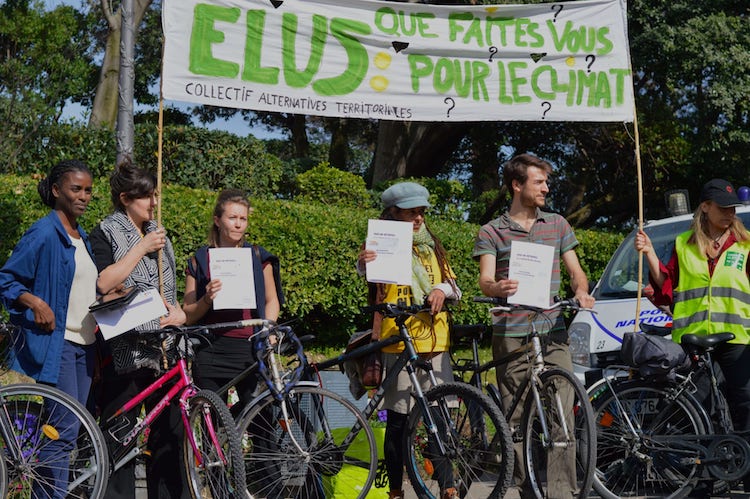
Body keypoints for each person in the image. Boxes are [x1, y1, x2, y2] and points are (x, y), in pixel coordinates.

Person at [472, 153, 595, 499]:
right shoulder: (491, 231)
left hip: (552, 330)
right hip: (511, 334)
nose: (546, 187)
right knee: (517, 418)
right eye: (539, 182)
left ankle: (560, 493)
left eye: (546, 182)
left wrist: (581, 291)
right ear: (517, 185)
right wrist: (497, 288)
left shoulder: (557, 224)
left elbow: (575, 271)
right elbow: (484, 279)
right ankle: (527, 491)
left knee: (562, 415)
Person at [635, 178, 750, 491]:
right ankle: (702, 480)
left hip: (737, 337)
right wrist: (648, 254)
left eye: (732, 208)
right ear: (705, 207)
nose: (729, 213)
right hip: (693, 339)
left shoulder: (746, 243)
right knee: (699, 411)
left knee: (745, 405)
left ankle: (743, 474)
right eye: (723, 208)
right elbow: (666, 284)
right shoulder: (684, 244)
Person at [89, 159, 188, 499]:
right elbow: (104, 283)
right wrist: (141, 249)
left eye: (155, 196)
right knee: (121, 434)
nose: (154, 203)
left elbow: (171, 290)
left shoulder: (159, 232)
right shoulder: (105, 231)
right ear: (125, 198)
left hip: (167, 349)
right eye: (146, 197)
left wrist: (180, 315)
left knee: (169, 436)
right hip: (126, 352)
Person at [357, 182, 462, 499]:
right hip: (398, 343)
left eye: (421, 212)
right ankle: (395, 490)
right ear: (393, 213)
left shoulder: (433, 247)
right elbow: (370, 281)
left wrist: (442, 290)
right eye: (411, 212)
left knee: (439, 420)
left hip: (435, 343)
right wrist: (364, 264)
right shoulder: (381, 243)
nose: (418, 218)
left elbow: (456, 290)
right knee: (399, 423)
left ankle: (448, 488)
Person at [0, 159, 98, 498]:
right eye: (76, 189)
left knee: (64, 431)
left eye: (88, 190)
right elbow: (6, 279)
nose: (84, 196)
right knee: (62, 431)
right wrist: (36, 302)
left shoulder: (80, 235)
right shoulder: (44, 232)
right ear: (57, 191)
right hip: (61, 345)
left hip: (85, 345)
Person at [183, 188, 283, 415]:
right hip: (211, 350)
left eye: (243, 219)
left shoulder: (258, 257)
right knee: (215, 425)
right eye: (232, 218)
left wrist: (268, 327)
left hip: (250, 348)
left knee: (261, 418)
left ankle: (263, 453)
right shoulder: (199, 261)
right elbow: (188, 313)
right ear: (217, 220)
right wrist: (207, 298)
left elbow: (272, 300)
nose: (238, 224)